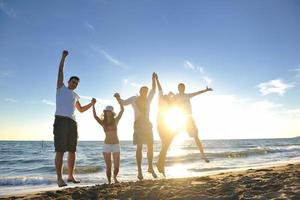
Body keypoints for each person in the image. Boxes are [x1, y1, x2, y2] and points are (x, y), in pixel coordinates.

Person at [53, 50, 96, 187]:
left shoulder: (76, 96)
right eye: (73, 82)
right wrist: (63, 57)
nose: (74, 84)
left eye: (76, 83)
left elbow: (81, 110)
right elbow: (60, 71)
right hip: (60, 120)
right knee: (60, 150)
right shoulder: (61, 87)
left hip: (73, 123)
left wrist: (92, 104)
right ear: (68, 82)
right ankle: (59, 179)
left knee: (72, 150)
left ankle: (70, 176)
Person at [115, 73, 157, 180]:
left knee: (150, 145)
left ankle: (150, 167)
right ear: (140, 92)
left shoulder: (148, 99)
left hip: (147, 124)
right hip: (138, 124)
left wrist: (153, 79)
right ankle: (139, 171)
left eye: (146, 91)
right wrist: (118, 97)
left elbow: (154, 89)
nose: (145, 93)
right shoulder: (134, 99)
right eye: (143, 91)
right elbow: (123, 103)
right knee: (139, 147)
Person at [175, 83, 212, 163]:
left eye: (183, 87)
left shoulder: (187, 95)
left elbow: (197, 93)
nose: (182, 89)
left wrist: (205, 90)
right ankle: (161, 160)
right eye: (180, 87)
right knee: (171, 136)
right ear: (178, 89)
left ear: (184, 88)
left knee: (196, 137)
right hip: (179, 119)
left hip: (188, 118)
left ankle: (203, 155)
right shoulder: (176, 96)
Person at [92, 94, 124, 184]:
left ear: (112, 113)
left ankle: (115, 177)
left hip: (116, 145)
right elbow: (95, 117)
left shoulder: (116, 121)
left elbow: (122, 110)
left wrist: (118, 99)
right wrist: (93, 105)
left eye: (110, 111)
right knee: (108, 166)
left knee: (117, 167)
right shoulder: (103, 123)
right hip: (106, 146)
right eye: (107, 111)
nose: (108, 113)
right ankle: (109, 182)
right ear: (105, 112)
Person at [155, 75, 176, 176]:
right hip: (161, 125)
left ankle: (160, 164)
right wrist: (157, 79)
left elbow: (176, 101)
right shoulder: (161, 100)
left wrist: (172, 95)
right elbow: (160, 89)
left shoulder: (170, 104)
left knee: (166, 147)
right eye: (167, 95)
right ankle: (160, 165)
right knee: (165, 146)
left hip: (169, 126)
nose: (168, 95)